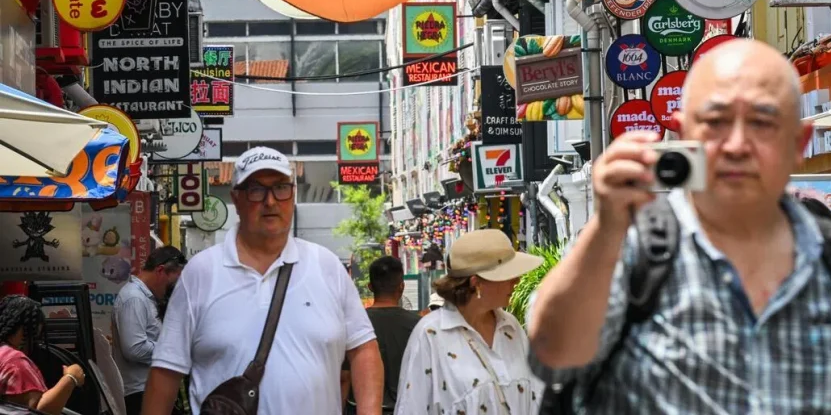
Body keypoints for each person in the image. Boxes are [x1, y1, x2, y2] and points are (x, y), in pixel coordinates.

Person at [528, 39, 831, 412]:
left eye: (762, 123)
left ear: (799, 142)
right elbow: (552, 356)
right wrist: (605, 229)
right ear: (683, 132)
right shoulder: (636, 249)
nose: (736, 144)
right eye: (716, 121)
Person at [143, 147, 383, 415]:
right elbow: (166, 371)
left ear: (292, 194)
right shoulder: (201, 273)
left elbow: (364, 350)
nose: (270, 201)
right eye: (257, 189)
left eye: (281, 187)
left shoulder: (326, 266)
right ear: (237, 198)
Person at [395, 229, 544, 414]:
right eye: (508, 276)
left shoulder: (510, 327)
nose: (517, 281)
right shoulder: (431, 334)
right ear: (476, 283)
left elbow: (537, 397)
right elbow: (411, 407)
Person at [113, 246, 187, 415]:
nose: (173, 290)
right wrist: (173, 351)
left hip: (150, 389)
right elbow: (134, 349)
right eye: (173, 283)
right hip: (139, 392)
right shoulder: (134, 298)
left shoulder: (147, 298)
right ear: (161, 271)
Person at [343, 256, 420, 414]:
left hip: (359, 409)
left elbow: (344, 377)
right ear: (402, 287)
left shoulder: (355, 324)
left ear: (370, 287)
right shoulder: (419, 326)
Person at [0, 295, 85, 415]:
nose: (34, 345)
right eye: (34, 337)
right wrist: (70, 378)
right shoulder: (15, 362)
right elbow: (41, 411)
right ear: (23, 330)